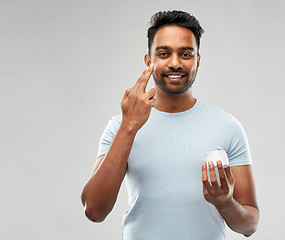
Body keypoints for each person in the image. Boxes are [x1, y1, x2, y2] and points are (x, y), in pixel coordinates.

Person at [81, 10, 259, 239]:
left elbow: (249, 226)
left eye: (186, 54)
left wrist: (225, 202)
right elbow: (94, 211)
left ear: (198, 60)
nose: (175, 63)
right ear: (149, 61)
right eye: (164, 53)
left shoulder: (227, 126)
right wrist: (129, 127)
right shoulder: (121, 126)